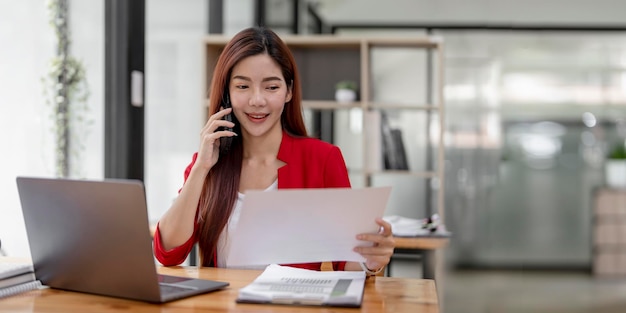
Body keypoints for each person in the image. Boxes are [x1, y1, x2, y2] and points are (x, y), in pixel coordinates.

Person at [153, 27, 395, 274]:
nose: (257, 100)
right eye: (243, 86)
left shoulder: (322, 159)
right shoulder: (208, 163)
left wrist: (370, 262)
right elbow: (169, 252)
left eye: (271, 87)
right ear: (227, 93)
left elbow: (345, 263)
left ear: (289, 91)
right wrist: (200, 168)